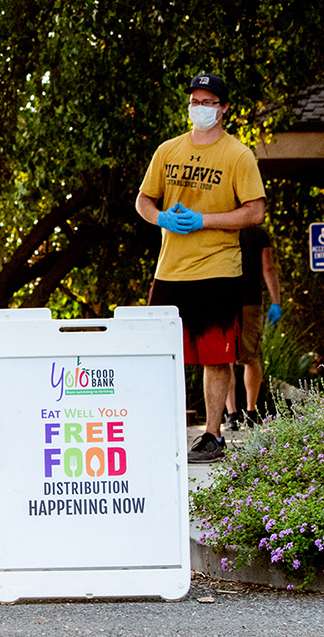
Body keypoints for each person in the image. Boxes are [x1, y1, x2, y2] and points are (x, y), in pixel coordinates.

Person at [136, 73, 266, 463]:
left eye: (209, 102)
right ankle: (158, 428)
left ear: (224, 108)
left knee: (216, 356)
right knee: (157, 354)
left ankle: (212, 434)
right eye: (196, 100)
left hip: (218, 269)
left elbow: (255, 210)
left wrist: (204, 220)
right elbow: (144, 200)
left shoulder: (238, 155)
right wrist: (160, 218)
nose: (201, 108)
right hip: (170, 269)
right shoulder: (167, 150)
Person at [224, 225, 281, 430]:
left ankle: (231, 414)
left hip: (222, 299)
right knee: (251, 357)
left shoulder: (218, 223)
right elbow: (268, 268)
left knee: (224, 358)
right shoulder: (258, 232)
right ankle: (251, 411)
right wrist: (276, 301)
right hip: (250, 300)